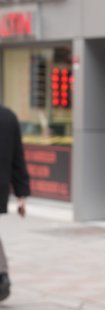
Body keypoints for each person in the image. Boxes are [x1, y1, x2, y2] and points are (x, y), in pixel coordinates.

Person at [0, 105, 30, 302]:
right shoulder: (8, 116)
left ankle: (2, 276)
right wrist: (21, 195)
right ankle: (2, 275)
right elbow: (18, 157)